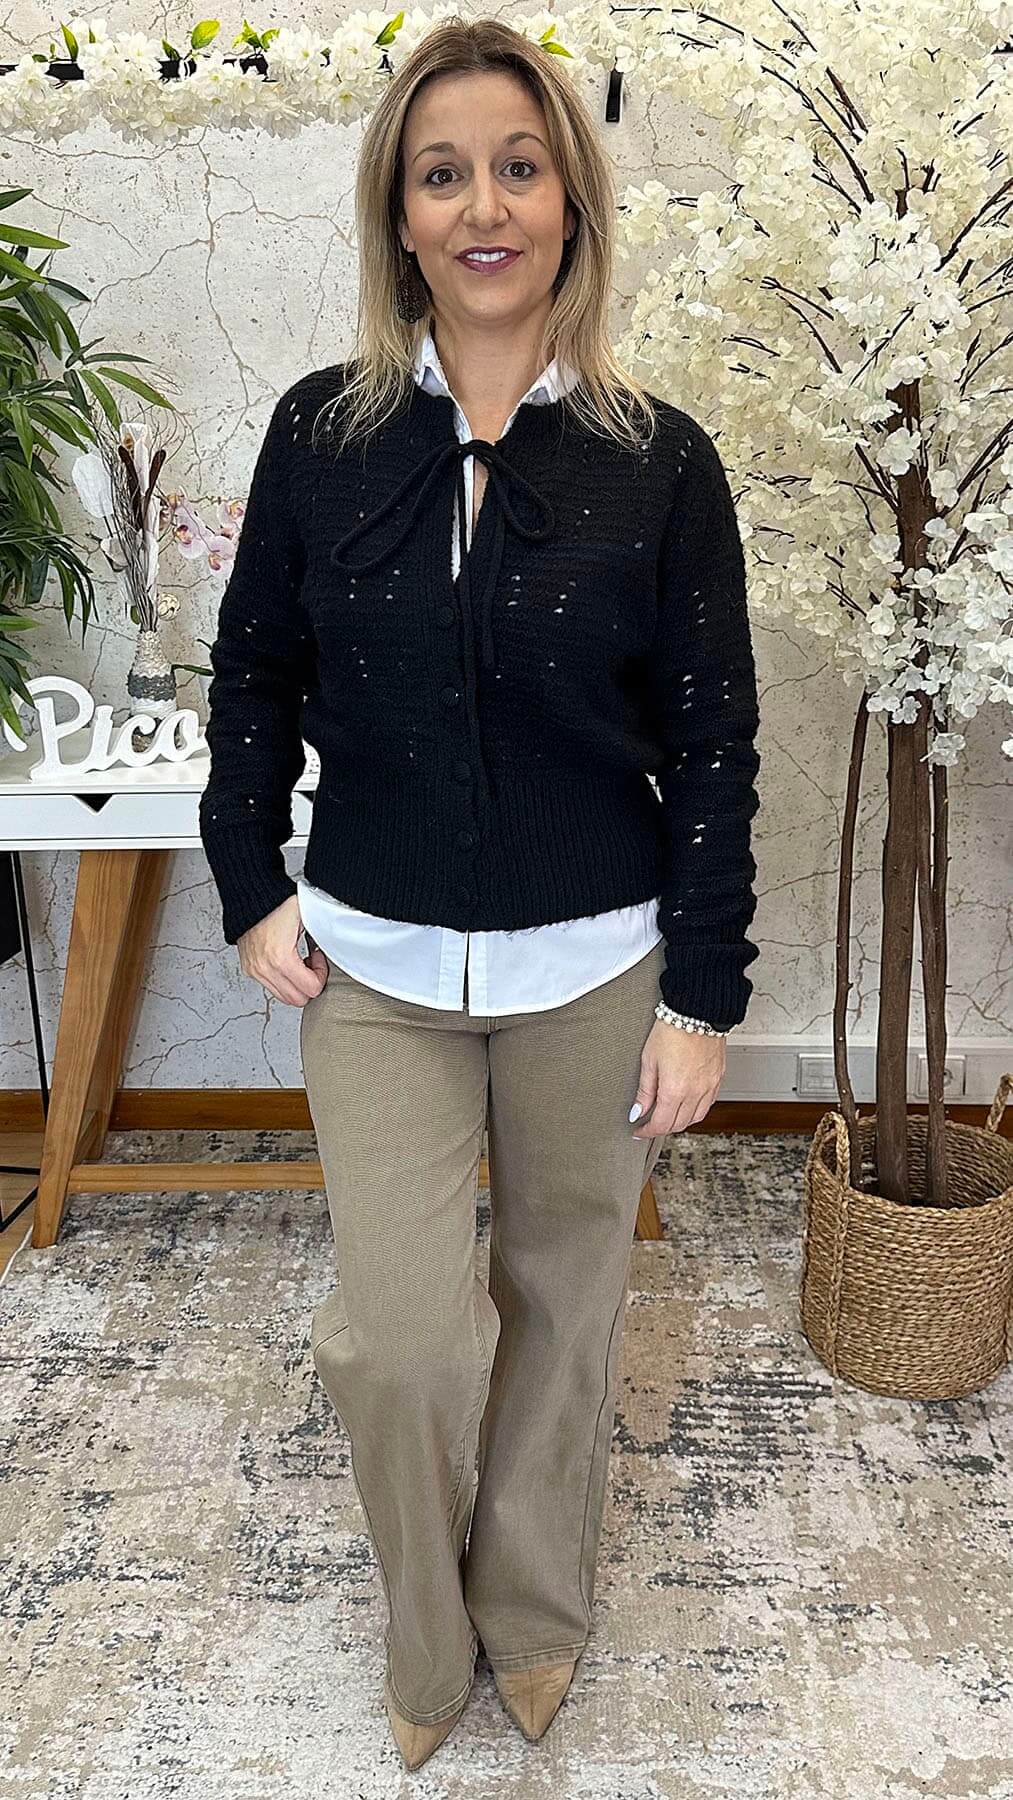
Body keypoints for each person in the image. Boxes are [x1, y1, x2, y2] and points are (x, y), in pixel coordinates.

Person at [199, 15, 761, 1774]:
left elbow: (714, 735)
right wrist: (249, 882)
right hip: (371, 966)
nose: (484, 206)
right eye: (443, 175)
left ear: (570, 202)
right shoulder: (323, 434)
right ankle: (423, 1634)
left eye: (519, 168)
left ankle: (533, 1610)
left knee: (565, 1310)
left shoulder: (658, 459)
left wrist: (703, 991)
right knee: (401, 1340)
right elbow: (253, 674)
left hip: (596, 964)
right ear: (400, 215)